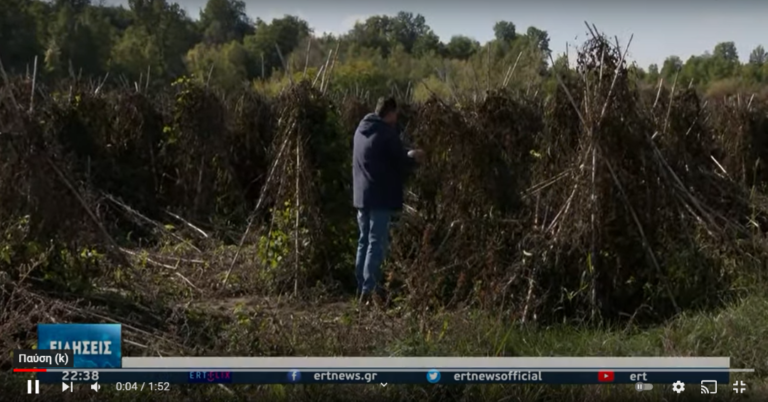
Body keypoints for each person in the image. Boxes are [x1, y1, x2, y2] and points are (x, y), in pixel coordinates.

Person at [353, 96, 424, 307]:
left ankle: (361, 287)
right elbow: (401, 159)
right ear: (390, 112)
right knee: (376, 243)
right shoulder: (386, 134)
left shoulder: (360, 130)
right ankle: (370, 291)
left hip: (361, 196)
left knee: (363, 241)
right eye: (396, 114)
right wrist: (415, 157)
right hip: (380, 197)